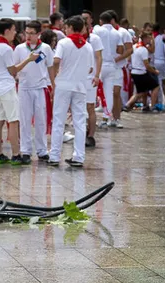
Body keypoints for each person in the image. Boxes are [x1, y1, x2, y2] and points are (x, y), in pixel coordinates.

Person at [0, 18, 40, 165]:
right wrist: (29, 60)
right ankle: (16, 154)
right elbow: (13, 70)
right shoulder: (6, 48)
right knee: (13, 121)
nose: (15, 33)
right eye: (13, 30)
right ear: (7, 31)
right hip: (7, 88)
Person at [48, 15, 93, 167]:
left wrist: (54, 77)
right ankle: (79, 157)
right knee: (79, 122)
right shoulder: (88, 46)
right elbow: (91, 68)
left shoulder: (63, 43)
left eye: (67, 27)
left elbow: (55, 60)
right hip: (80, 86)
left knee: (59, 120)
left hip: (63, 85)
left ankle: (54, 156)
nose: (65, 30)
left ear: (72, 28)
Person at [14, 21, 54, 161]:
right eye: (27, 33)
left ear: (38, 34)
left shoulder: (46, 48)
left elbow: (50, 67)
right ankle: (25, 150)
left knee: (40, 119)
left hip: (40, 87)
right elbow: (15, 68)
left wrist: (53, 85)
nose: (28, 36)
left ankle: (42, 150)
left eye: (32, 33)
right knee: (24, 120)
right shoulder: (19, 48)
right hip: (24, 87)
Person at [95, 11, 123, 128]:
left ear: (101, 21)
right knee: (109, 93)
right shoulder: (117, 33)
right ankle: (106, 118)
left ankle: (88, 116)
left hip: (100, 65)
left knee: (92, 91)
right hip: (111, 65)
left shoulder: (97, 30)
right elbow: (120, 50)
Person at [83, 12, 103, 147]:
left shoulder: (94, 39)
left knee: (90, 106)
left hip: (90, 78)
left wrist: (97, 75)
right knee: (78, 107)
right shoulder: (73, 39)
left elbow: (99, 57)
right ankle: (82, 131)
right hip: (77, 78)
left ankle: (91, 135)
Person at [125, 32, 159, 111]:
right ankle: (152, 106)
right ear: (144, 39)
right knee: (155, 86)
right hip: (141, 72)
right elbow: (146, 65)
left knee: (143, 90)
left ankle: (144, 105)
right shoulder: (144, 50)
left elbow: (129, 59)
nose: (149, 40)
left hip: (134, 71)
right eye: (148, 38)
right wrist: (154, 71)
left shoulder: (134, 47)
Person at [152, 23, 165, 110]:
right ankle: (163, 103)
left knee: (156, 84)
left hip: (153, 62)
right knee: (162, 84)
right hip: (162, 61)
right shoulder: (162, 37)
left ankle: (158, 102)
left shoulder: (151, 38)